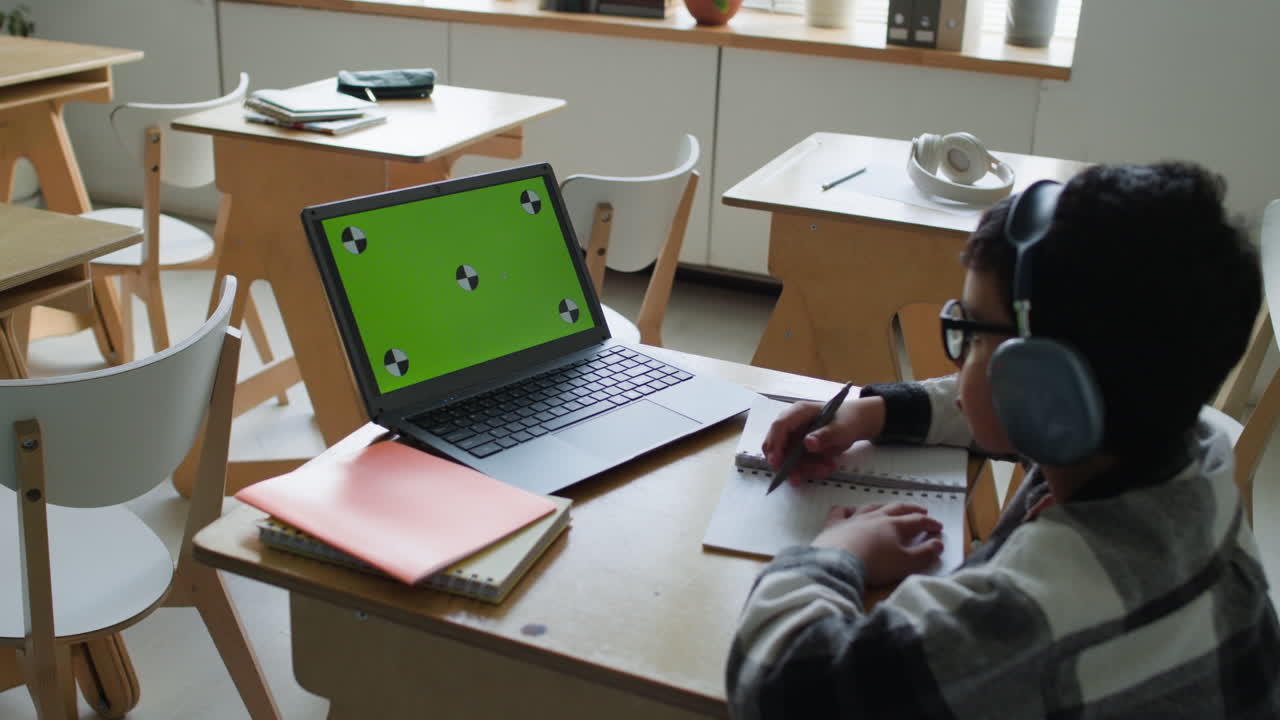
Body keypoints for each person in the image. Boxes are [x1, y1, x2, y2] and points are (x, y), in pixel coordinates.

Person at [725, 161, 1280, 718]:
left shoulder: (1038, 606)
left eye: (968, 330)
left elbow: (779, 687)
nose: (957, 358)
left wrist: (838, 552)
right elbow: (987, 400)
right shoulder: (1183, 441)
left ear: (1042, 386)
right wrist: (872, 413)